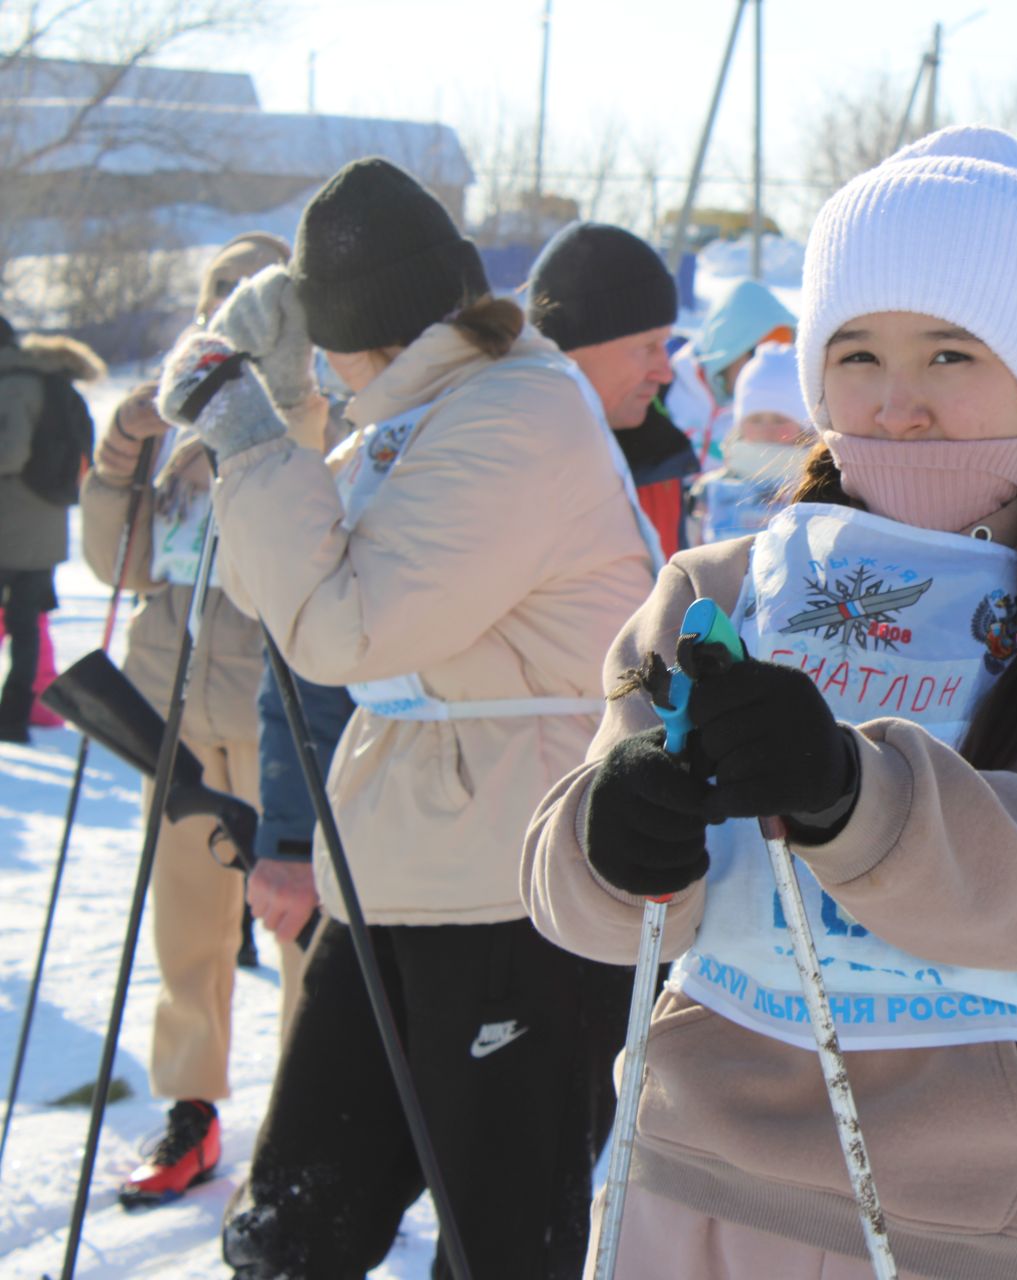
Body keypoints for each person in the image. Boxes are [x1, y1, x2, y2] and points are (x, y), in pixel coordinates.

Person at [523, 125, 1017, 1279]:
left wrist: (854, 792)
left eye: (950, 354)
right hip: (697, 1174)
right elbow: (577, 891)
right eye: (856, 353)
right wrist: (611, 840)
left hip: (984, 1212)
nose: (897, 404)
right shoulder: (719, 590)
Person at [154, 157, 654, 1278]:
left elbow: (342, 629)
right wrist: (273, 409)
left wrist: (249, 437)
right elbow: (281, 572)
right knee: (294, 1226)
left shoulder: (514, 414)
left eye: (321, 341)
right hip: (396, 870)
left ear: (366, 332)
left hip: (515, 889)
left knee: (499, 1240)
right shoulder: (417, 412)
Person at [78, 236, 315, 1206]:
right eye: (217, 293)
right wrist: (122, 449)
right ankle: (192, 1106)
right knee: (189, 927)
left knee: (301, 923)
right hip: (170, 705)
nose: (228, 312)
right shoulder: (174, 427)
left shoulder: (306, 410)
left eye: (252, 295)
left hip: (276, 708)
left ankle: (307, 1117)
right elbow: (120, 567)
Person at [529, 221, 689, 558]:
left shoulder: (661, 461)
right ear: (573, 348)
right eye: (647, 347)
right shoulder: (512, 468)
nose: (664, 371)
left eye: (665, 344)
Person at [0, 313, 100, 743]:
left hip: (9, 528)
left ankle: (12, 718)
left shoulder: (12, 386)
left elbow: (9, 456)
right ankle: (21, 714)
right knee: (28, 625)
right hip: (46, 528)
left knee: (21, 628)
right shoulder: (49, 380)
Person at [687, 340, 812, 545]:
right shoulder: (710, 489)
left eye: (780, 420)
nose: (767, 429)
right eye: (755, 420)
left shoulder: (817, 486)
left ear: (804, 427)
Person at [663, 277, 796, 466]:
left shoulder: (781, 405)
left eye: (781, 358)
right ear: (729, 348)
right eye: (756, 354)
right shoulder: (666, 384)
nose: (765, 369)